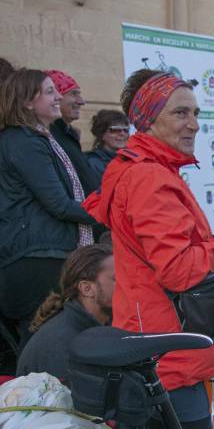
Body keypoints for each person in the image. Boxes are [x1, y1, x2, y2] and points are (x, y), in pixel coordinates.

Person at [82, 69, 214, 428]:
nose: (194, 124)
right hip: (171, 346)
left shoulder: (140, 168)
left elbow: (164, 249)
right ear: (148, 119)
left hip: (156, 336)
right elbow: (179, 269)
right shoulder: (150, 177)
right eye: (180, 113)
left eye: (196, 113)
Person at [0, 69, 98, 350]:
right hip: (36, 258)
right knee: (42, 345)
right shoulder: (24, 140)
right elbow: (58, 203)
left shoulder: (39, 138)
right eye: (50, 92)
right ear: (27, 102)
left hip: (43, 253)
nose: (59, 98)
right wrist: (110, 213)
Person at [16, 244, 114, 382]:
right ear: (87, 288)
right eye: (116, 279)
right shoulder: (63, 344)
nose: (126, 284)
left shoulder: (91, 327)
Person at [45, 70, 100, 196]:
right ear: (56, 97)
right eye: (74, 94)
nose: (81, 102)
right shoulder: (48, 136)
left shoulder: (67, 133)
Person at [85, 109, 130, 182]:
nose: (122, 134)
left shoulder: (132, 158)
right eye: (115, 130)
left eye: (126, 130)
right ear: (101, 134)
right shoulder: (93, 163)